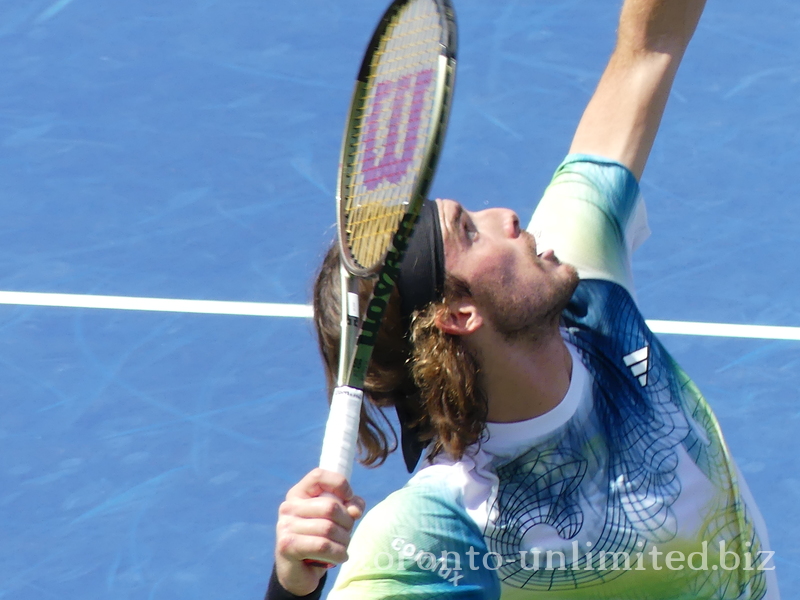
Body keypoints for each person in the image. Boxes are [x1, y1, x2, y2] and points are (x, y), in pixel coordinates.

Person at [268, 0, 781, 597]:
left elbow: (648, 48)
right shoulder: (438, 527)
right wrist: (288, 588)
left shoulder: (587, 285)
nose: (507, 216)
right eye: (469, 230)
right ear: (458, 314)